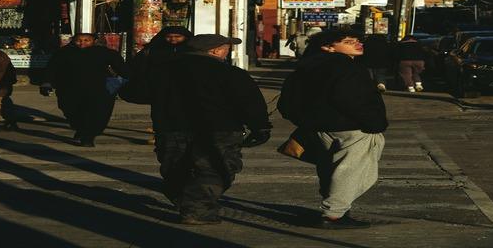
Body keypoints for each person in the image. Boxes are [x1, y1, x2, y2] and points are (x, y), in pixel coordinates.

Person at [120, 34, 271, 225]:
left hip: (171, 127)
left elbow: (131, 92)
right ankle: (196, 209)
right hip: (218, 129)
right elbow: (249, 102)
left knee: (175, 168)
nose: (227, 51)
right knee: (215, 169)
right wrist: (260, 127)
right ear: (215, 50)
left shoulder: (162, 70)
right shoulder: (229, 73)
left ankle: (187, 202)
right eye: (226, 47)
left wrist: (162, 95)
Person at [280, 28, 387, 230]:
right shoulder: (346, 67)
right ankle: (333, 214)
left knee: (330, 170)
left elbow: (286, 102)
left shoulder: (305, 68)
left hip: (318, 128)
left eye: (357, 39)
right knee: (353, 172)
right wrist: (376, 123)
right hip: (352, 128)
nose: (357, 43)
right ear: (328, 47)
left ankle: (339, 210)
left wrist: (305, 121)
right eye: (348, 41)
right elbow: (354, 100)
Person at [41, 33, 128, 147]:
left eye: (86, 40)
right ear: (73, 40)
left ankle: (88, 137)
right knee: (71, 111)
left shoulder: (104, 52)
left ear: (94, 41)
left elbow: (121, 68)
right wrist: (47, 83)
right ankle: (81, 129)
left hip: (99, 89)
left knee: (97, 114)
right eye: (79, 40)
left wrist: (125, 80)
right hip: (69, 89)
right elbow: (52, 68)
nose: (82, 43)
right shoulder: (64, 53)